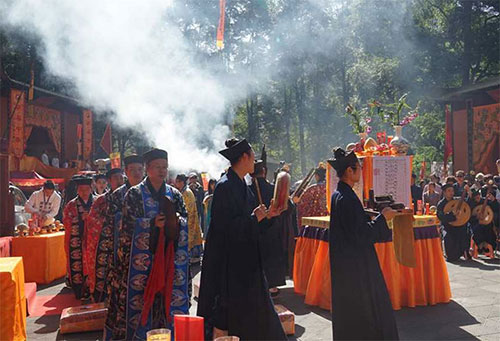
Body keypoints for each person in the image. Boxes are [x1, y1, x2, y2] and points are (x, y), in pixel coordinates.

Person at [197, 138, 286, 340]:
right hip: (231, 269)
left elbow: (252, 225)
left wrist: (268, 217)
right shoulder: (224, 186)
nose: (254, 161)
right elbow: (225, 230)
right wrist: (254, 218)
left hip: (247, 266)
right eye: (253, 156)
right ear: (244, 157)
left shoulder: (242, 185)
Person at [111, 149, 189, 340]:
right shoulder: (134, 194)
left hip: (168, 257)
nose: (162, 171)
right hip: (142, 263)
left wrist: (176, 221)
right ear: (148, 168)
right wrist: (150, 224)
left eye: (165, 167)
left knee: (168, 300)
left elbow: (186, 220)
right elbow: (127, 226)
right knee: (140, 300)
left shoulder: (175, 194)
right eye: (157, 167)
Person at [327, 147, 399, 340]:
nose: (360, 171)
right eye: (358, 168)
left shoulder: (339, 195)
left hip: (348, 265)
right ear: (349, 171)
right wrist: (383, 219)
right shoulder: (347, 198)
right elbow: (361, 235)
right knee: (365, 314)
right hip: (356, 267)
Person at [104, 155, 145, 339]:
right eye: (133, 170)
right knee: (122, 292)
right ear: (126, 172)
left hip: (145, 252)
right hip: (123, 251)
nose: (137, 173)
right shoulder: (117, 195)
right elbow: (110, 224)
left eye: (140, 169)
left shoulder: (147, 193)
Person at [85, 168, 124, 303]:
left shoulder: (130, 197)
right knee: (103, 273)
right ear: (109, 181)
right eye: (116, 178)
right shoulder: (101, 200)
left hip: (122, 244)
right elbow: (92, 220)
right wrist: (110, 222)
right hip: (105, 245)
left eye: (121, 178)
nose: (120, 181)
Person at [62, 176, 95, 299]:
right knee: (78, 264)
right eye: (81, 189)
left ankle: (94, 290)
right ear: (77, 191)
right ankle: (80, 290)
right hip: (76, 241)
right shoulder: (71, 205)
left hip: (92, 240)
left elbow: (103, 218)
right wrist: (79, 219)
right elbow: (66, 220)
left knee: (94, 264)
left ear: (91, 189)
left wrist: (91, 217)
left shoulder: (97, 202)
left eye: (86, 189)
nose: (84, 192)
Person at [437, 184, 471, 261]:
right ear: (444, 192)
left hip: (459, 225)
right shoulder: (441, 204)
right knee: (448, 236)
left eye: (452, 190)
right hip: (447, 226)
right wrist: (452, 215)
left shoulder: (457, 200)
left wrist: (468, 192)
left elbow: (468, 203)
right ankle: (451, 255)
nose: (451, 192)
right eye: (449, 191)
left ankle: (465, 252)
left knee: (465, 231)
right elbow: (441, 217)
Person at [175, 174, 203, 263]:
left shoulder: (187, 192)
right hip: (186, 220)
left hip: (190, 220)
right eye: (176, 181)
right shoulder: (182, 191)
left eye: (179, 181)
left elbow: (188, 209)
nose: (176, 183)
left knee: (190, 240)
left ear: (183, 182)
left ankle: (192, 258)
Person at [294, 162, 328, 231]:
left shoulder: (311, 189)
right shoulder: (330, 189)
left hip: (313, 225)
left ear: (316, 176)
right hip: (327, 224)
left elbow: (302, 206)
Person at [468, 190, 497, 259]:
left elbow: (495, 207)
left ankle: (490, 250)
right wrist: (476, 217)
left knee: (489, 231)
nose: (478, 199)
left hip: (487, 222)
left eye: (478, 197)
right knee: (476, 231)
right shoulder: (471, 204)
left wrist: (493, 200)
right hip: (475, 223)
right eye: (476, 198)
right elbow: (468, 217)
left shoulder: (485, 201)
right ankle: (476, 251)